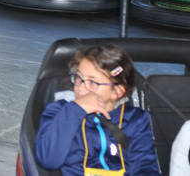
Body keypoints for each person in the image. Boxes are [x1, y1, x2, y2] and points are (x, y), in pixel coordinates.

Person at [35, 44, 160, 176]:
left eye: (92, 82)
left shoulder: (136, 120)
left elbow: (145, 166)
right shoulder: (60, 111)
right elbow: (47, 160)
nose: (80, 88)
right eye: (79, 78)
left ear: (117, 91)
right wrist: (75, 110)